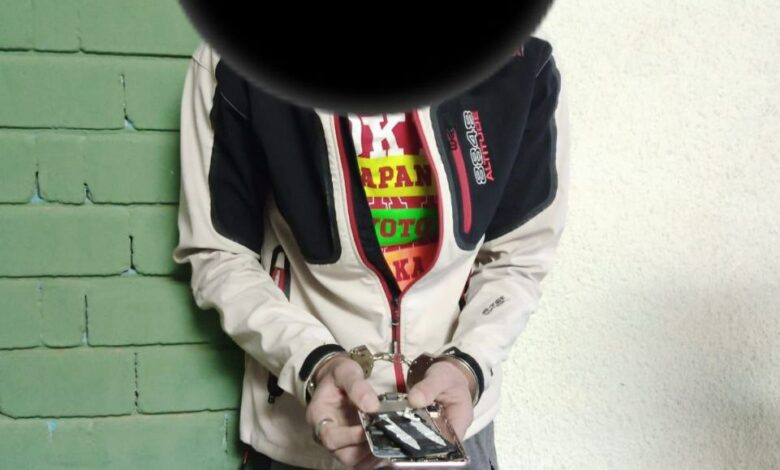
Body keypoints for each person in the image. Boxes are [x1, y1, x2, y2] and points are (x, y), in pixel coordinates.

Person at [173, 30, 569, 470]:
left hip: (455, 428)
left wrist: (468, 365)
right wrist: (313, 362)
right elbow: (220, 254)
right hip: (303, 432)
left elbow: (517, 259)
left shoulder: (520, 61)